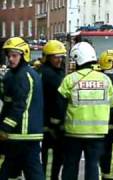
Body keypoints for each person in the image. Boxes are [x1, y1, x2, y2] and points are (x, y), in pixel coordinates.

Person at [58, 42, 113, 180]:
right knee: (93, 166)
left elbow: (59, 104)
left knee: (70, 165)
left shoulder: (70, 79)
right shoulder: (105, 79)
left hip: (73, 132)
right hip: (97, 132)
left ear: (78, 59)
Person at [0, 37, 44, 179]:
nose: (10, 59)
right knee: (16, 171)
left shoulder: (21, 76)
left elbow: (18, 106)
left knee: (17, 171)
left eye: (14, 55)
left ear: (24, 55)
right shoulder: (20, 74)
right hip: (25, 135)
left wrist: (4, 128)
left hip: (22, 134)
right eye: (9, 56)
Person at [40, 40, 67, 180]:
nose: (59, 60)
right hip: (50, 126)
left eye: (61, 57)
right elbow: (57, 101)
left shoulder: (56, 72)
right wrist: (55, 125)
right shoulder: (49, 75)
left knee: (56, 161)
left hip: (52, 124)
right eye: (56, 57)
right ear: (47, 57)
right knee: (51, 161)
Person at [98, 49, 113, 180]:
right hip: (112, 123)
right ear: (110, 62)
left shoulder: (101, 77)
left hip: (101, 123)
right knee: (111, 154)